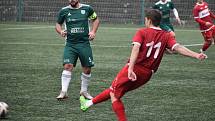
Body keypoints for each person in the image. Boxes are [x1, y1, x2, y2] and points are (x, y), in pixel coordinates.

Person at [79, 9, 207, 121]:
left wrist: (130, 68)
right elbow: (177, 47)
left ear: (149, 20)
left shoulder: (142, 32)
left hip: (136, 68)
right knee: (116, 89)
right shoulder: (166, 35)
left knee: (114, 94)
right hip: (147, 74)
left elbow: (136, 49)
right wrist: (196, 55)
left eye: (146, 19)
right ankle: (88, 103)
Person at [55, 0, 100, 100]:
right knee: (67, 66)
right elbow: (58, 24)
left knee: (87, 69)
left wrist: (93, 31)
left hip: (84, 44)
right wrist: (60, 31)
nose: (72, 0)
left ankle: (83, 91)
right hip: (70, 44)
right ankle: (64, 91)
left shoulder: (87, 9)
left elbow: (96, 20)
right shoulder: (64, 11)